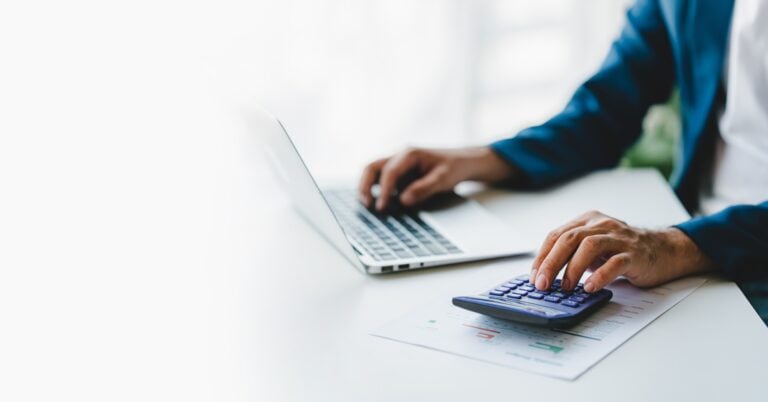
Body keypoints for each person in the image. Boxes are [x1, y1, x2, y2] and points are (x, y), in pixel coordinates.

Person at [357, 0, 768, 323]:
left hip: (726, 255)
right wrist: (480, 160)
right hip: (697, 247)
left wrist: (677, 245)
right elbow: (605, 111)